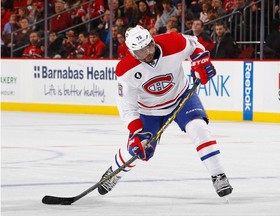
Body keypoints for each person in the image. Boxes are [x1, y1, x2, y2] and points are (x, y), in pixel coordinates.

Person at [97, 25, 233, 198]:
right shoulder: (125, 70)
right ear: (132, 52)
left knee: (198, 128)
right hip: (149, 111)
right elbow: (127, 107)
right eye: (141, 52)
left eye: (149, 47)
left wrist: (200, 59)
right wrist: (136, 133)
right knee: (140, 150)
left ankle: (218, 174)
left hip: (181, 97)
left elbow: (194, 44)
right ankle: (114, 173)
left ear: (153, 41)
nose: (147, 53)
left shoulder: (173, 42)